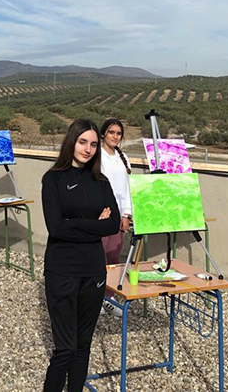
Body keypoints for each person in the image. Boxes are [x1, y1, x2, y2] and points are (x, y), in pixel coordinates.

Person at [41, 119, 120, 391]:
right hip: (62, 270)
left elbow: (113, 224)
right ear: (72, 141)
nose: (87, 149)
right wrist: (94, 226)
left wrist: (73, 223)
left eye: (93, 144)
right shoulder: (53, 179)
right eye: (82, 142)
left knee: (82, 345)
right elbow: (56, 228)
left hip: (93, 271)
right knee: (64, 348)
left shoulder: (100, 180)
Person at [99, 118, 133, 316]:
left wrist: (127, 213)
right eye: (111, 132)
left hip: (119, 216)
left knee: (113, 256)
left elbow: (128, 188)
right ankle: (93, 297)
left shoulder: (123, 158)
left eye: (118, 133)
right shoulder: (97, 156)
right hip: (102, 215)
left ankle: (108, 298)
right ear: (104, 133)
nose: (115, 136)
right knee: (97, 257)